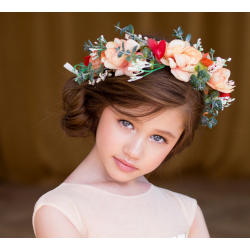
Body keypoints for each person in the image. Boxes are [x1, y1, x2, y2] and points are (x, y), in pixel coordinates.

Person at [32, 23, 235, 238]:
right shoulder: (60, 210)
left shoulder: (186, 211)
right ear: (98, 107)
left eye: (158, 138)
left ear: (178, 143)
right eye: (127, 123)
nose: (134, 151)